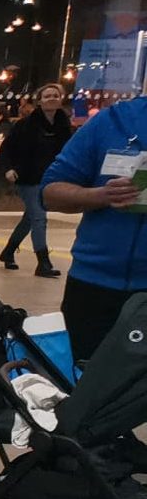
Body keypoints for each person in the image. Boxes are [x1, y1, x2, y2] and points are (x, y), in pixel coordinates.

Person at [41, 88, 147, 366]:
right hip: (94, 288)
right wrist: (101, 196)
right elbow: (50, 192)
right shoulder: (112, 122)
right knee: (81, 381)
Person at [0, 82, 74, 277]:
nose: (52, 99)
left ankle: (8, 252)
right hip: (27, 177)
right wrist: (8, 169)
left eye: (55, 96)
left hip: (50, 178)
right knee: (39, 217)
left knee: (30, 219)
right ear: (39, 101)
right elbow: (6, 148)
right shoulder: (26, 125)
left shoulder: (64, 125)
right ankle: (43, 262)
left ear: (61, 100)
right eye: (47, 96)